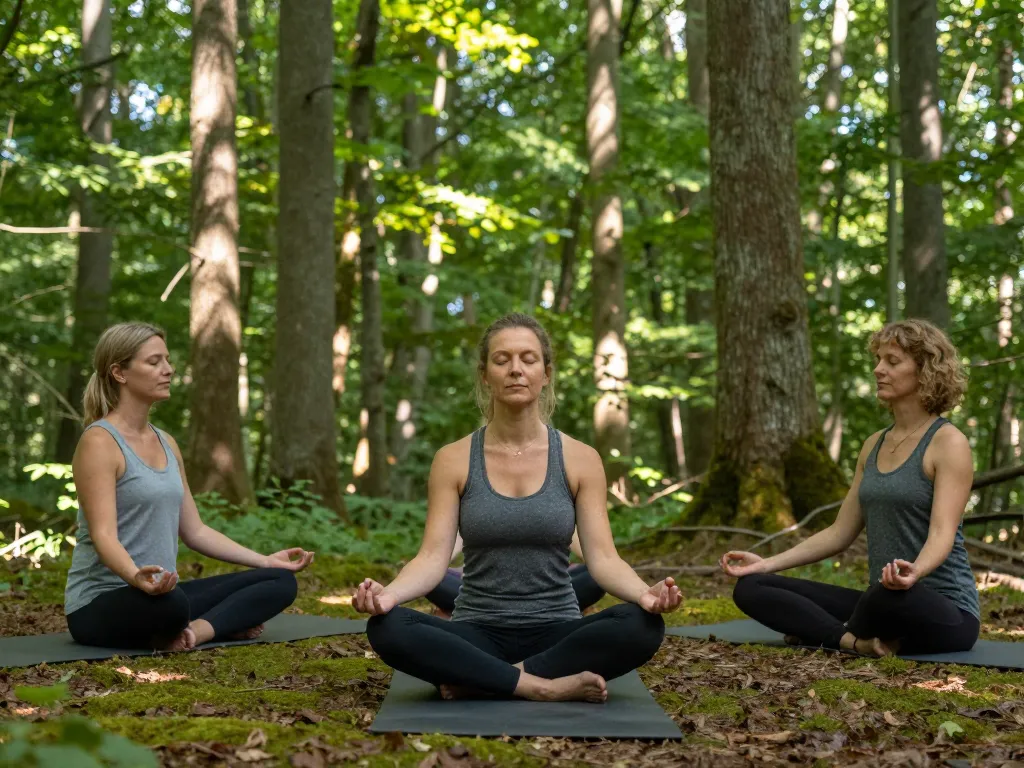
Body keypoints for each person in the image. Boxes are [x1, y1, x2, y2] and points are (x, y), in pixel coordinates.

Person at [353, 313, 680, 703]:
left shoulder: (580, 458)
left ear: (546, 373)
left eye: (528, 359)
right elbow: (431, 557)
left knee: (641, 625)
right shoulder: (453, 459)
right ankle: (539, 686)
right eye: (501, 359)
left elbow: (604, 559)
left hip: (557, 630)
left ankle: (485, 680)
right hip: (476, 631)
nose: (515, 370)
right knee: (386, 627)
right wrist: (388, 596)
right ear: (484, 375)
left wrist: (646, 595)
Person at [720, 319, 979, 657]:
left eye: (892, 361)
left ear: (925, 370)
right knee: (753, 588)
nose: (878, 370)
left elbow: (943, 533)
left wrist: (916, 571)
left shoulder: (948, 443)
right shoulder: (874, 445)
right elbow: (839, 533)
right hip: (881, 600)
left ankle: (825, 631)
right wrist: (766, 564)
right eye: (878, 360)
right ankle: (850, 641)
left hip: (943, 610)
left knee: (883, 596)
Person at [65, 322, 314, 652]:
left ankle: (196, 633)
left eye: (167, 360)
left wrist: (264, 560)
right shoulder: (99, 442)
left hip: (161, 594)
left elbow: (195, 531)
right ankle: (213, 623)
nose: (168, 370)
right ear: (119, 373)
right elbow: (103, 536)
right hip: (102, 602)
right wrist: (135, 576)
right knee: (173, 606)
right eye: (154, 362)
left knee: (279, 582)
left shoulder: (166, 442)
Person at [425, 530, 605, 619]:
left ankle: (508, 612)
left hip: (547, 589)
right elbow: (446, 547)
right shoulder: (475, 489)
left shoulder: (555, 488)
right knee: (429, 580)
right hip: (484, 590)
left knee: (597, 577)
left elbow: (588, 550)